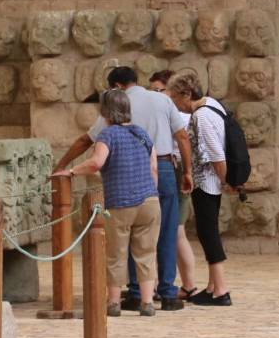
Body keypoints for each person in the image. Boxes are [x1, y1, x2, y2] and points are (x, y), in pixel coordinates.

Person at [54, 66, 193, 311]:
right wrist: (188, 172)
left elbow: (87, 140)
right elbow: (182, 136)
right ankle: (168, 293)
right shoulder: (162, 100)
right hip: (164, 167)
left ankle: (135, 293)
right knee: (166, 232)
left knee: (125, 237)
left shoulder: (116, 103)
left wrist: (63, 165)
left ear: (116, 86)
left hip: (127, 173)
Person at [54, 89, 160, 316]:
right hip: (150, 201)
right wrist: (151, 192)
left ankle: (113, 303)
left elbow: (96, 162)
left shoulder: (108, 135)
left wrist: (71, 171)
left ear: (105, 112)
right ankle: (147, 302)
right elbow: (153, 167)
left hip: (121, 201)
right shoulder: (142, 134)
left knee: (116, 253)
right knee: (146, 253)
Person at [165, 72, 232, 306]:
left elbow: (216, 154)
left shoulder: (201, 116)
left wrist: (226, 181)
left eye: (175, 98)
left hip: (208, 183)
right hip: (210, 180)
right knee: (208, 231)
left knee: (208, 233)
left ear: (186, 94)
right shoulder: (212, 104)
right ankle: (213, 287)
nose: (174, 104)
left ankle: (221, 290)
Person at [149, 70, 198, 300]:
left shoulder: (179, 115)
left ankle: (185, 285)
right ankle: (174, 284)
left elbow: (182, 141)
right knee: (171, 232)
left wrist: (186, 172)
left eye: (160, 90)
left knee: (175, 232)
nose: (156, 95)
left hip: (173, 170)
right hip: (171, 170)